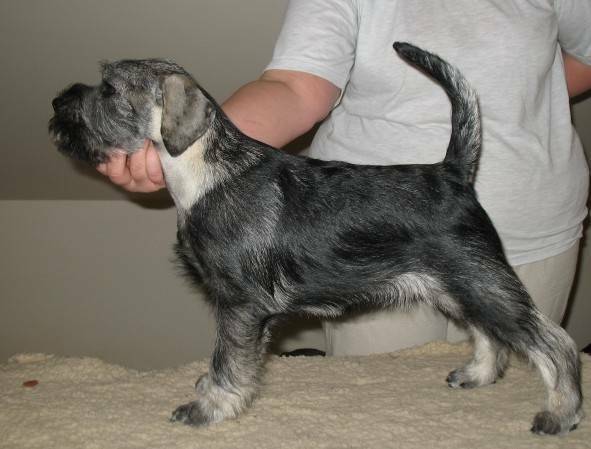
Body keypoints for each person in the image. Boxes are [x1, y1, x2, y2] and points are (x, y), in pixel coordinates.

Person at [98, 0, 591, 356]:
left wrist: (509, 102)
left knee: (518, 400)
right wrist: (193, 143)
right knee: (376, 414)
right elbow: (294, 87)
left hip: (537, 223)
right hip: (357, 235)